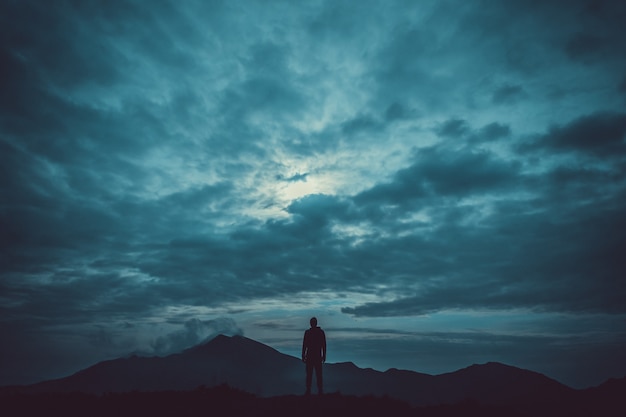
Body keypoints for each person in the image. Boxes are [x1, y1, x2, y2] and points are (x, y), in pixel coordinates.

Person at [302, 317, 326, 395]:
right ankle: (315, 390)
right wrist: (324, 355)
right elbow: (323, 345)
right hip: (315, 356)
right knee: (314, 374)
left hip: (313, 356)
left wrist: (303, 355)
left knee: (313, 374)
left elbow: (305, 345)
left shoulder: (309, 333)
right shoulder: (319, 332)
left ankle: (315, 390)